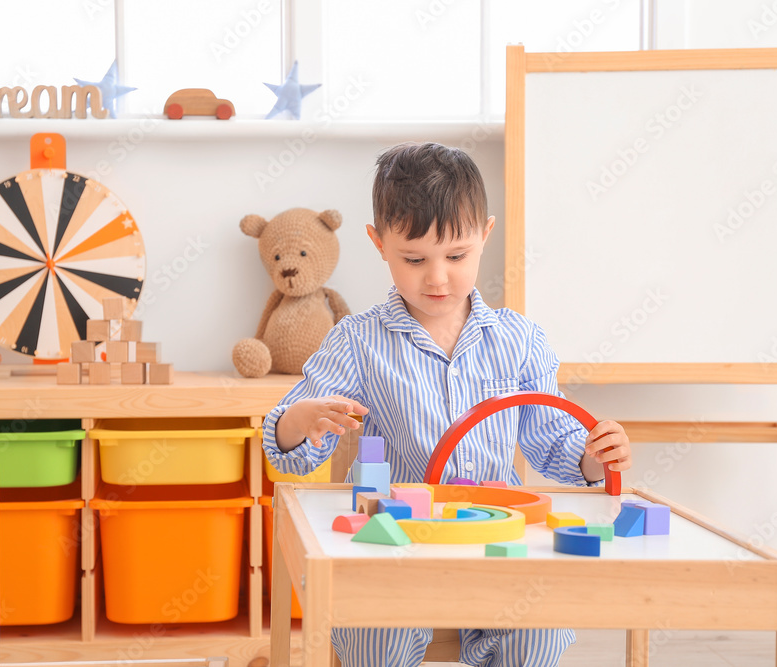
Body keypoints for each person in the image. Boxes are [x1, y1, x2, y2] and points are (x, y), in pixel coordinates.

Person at [262, 141, 632, 667]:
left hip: (499, 541)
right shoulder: (358, 340)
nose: (437, 277)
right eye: (414, 259)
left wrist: (597, 454)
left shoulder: (519, 339)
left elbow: (557, 442)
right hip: (397, 545)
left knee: (538, 635)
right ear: (379, 243)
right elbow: (288, 447)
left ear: (485, 234)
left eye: (456, 256)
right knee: (373, 642)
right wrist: (298, 422)